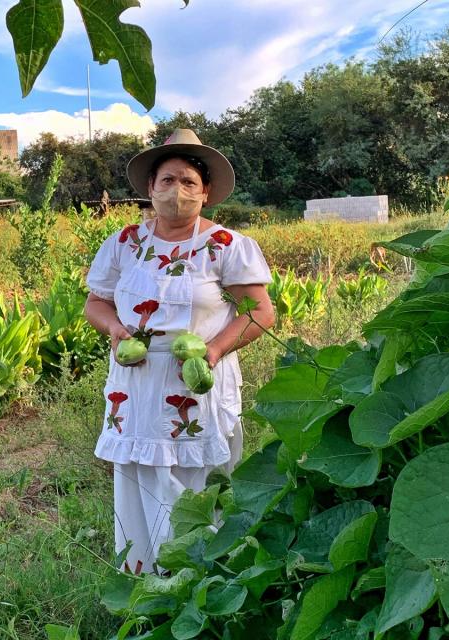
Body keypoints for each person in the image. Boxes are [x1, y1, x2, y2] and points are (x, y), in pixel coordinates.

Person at [83, 129, 276, 575]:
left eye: (189, 182)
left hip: (198, 383)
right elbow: (96, 302)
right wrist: (114, 327)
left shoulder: (227, 246)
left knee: (198, 487)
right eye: (167, 180)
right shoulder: (125, 243)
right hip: (135, 388)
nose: (177, 192)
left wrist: (214, 349)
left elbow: (261, 313)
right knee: (140, 482)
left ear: (206, 193)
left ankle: (201, 585)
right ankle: (144, 588)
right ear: (150, 189)